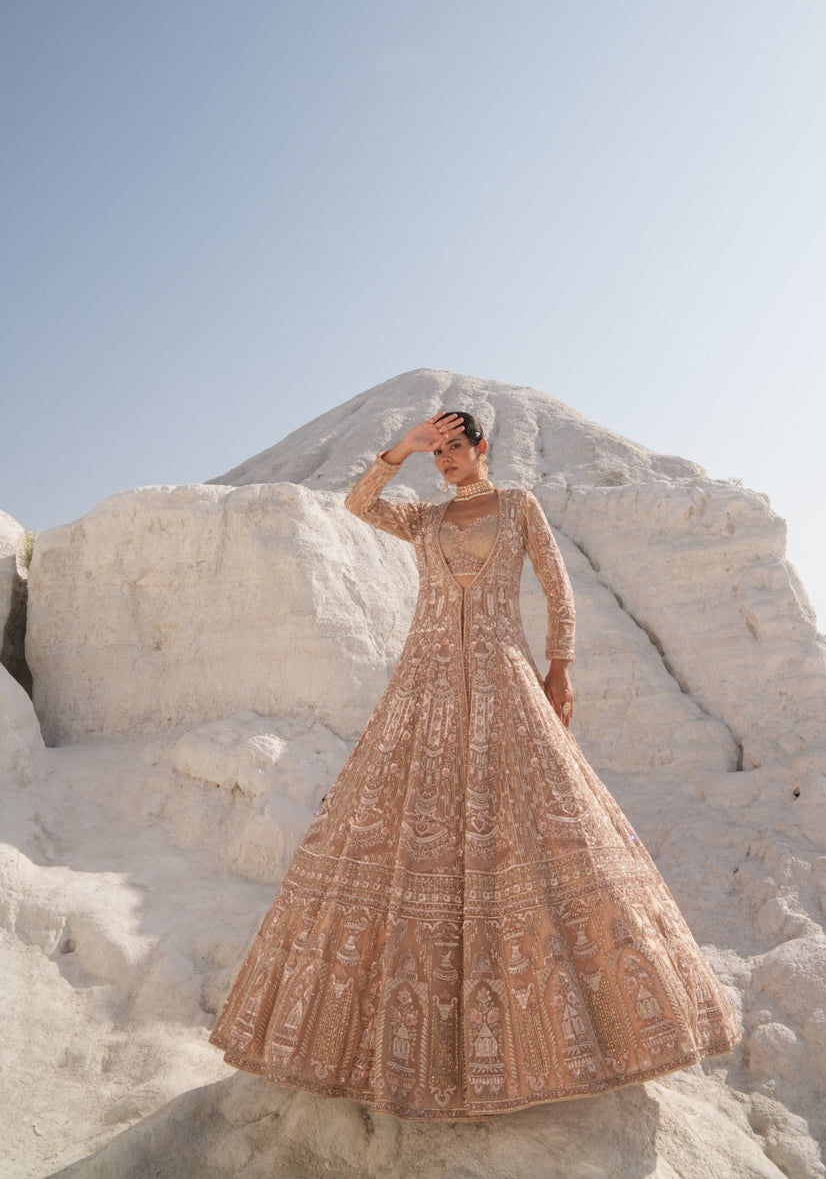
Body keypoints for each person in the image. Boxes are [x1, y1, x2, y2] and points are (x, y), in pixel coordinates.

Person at [209, 410, 741, 1120]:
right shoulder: (424, 519)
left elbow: (558, 587)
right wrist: (402, 448)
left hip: (504, 677)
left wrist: (560, 668)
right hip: (423, 685)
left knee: (550, 818)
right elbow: (358, 504)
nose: (447, 460)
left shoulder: (518, 506)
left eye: (455, 447)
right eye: (439, 451)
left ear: (482, 447)